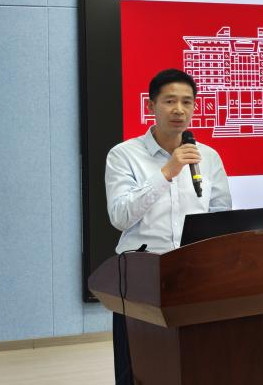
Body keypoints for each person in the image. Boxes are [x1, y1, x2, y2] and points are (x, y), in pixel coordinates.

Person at [104, 68, 232, 384]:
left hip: (193, 274)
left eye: (187, 102)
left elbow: (221, 214)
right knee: (137, 366)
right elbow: (120, 216)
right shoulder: (123, 155)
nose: (179, 110)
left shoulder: (208, 157)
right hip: (140, 274)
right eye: (170, 101)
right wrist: (166, 172)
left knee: (196, 361)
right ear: (151, 106)